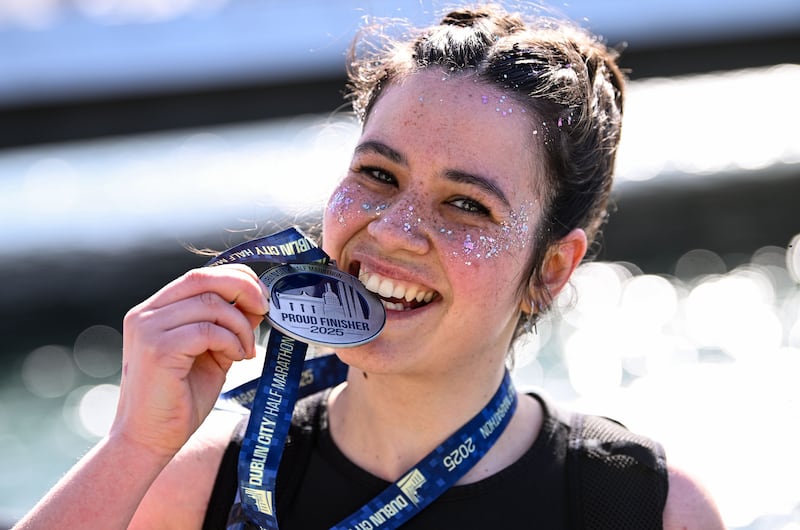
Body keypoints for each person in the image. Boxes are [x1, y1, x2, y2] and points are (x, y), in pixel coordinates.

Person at [14, 4, 724, 529]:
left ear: (552, 269)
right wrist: (133, 446)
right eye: (379, 175)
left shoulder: (640, 507)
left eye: (466, 206)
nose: (394, 230)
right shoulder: (203, 481)